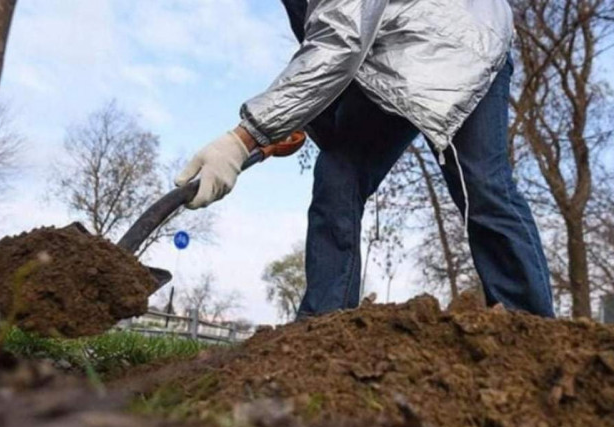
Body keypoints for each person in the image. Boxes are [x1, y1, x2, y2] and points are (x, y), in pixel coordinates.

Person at [174, 0, 555, 318]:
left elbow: (342, 39)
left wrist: (245, 137)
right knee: (338, 175)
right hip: (386, 56)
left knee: (481, 185)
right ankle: (322, 326)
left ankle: (530, 330)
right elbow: (322, 47)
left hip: (459, 38)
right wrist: (291, 125)